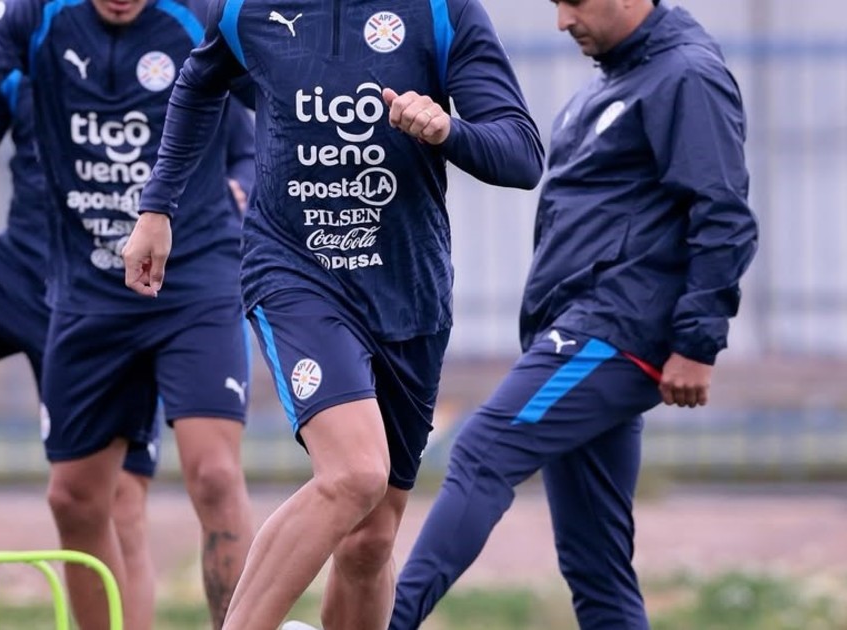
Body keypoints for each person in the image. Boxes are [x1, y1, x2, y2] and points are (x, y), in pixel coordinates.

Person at [123, 0, 546, 628]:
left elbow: (523, 154)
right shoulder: (243, 10)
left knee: (370, 541)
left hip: (409, 294)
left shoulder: (441, 11)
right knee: (355, 473)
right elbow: (198, 83)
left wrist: (447, 131)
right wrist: (158, 208)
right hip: (294, 272)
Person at [389, 1, 759, 629]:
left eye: (576, 1)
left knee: (482, 451)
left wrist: (699, 342)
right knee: (597, 568)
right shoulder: (615, 80)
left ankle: (384, 621)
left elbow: (723, 214)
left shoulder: (686, 75)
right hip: (579, 333)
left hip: (613, 334)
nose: (562, 20)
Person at [0, 1, 257, 627]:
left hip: (195, 281)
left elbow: (276, 103)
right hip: (89, 289)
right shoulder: (36, 13)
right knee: (74, 498)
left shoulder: (203, 13)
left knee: (213, 475)